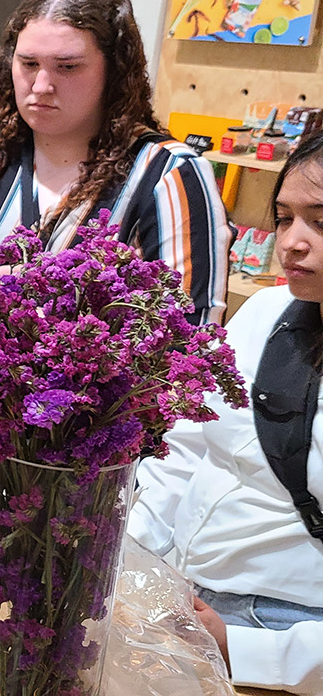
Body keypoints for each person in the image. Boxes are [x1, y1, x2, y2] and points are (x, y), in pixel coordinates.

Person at [0, 0, 229, 473]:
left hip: (73, 478)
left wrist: (45, 317)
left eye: (67, 67)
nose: (41, 86)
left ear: (115, 72)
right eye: (27, 64)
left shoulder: (166, 175)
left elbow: (188, 347)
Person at [128, 131, 323, 695]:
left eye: (321, 220)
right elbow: (188, 444)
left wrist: (246, 648)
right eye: (284, 218)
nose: (292, 243)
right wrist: (130, 560)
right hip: (180, 594)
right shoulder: (266, 309)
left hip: (285, 638)